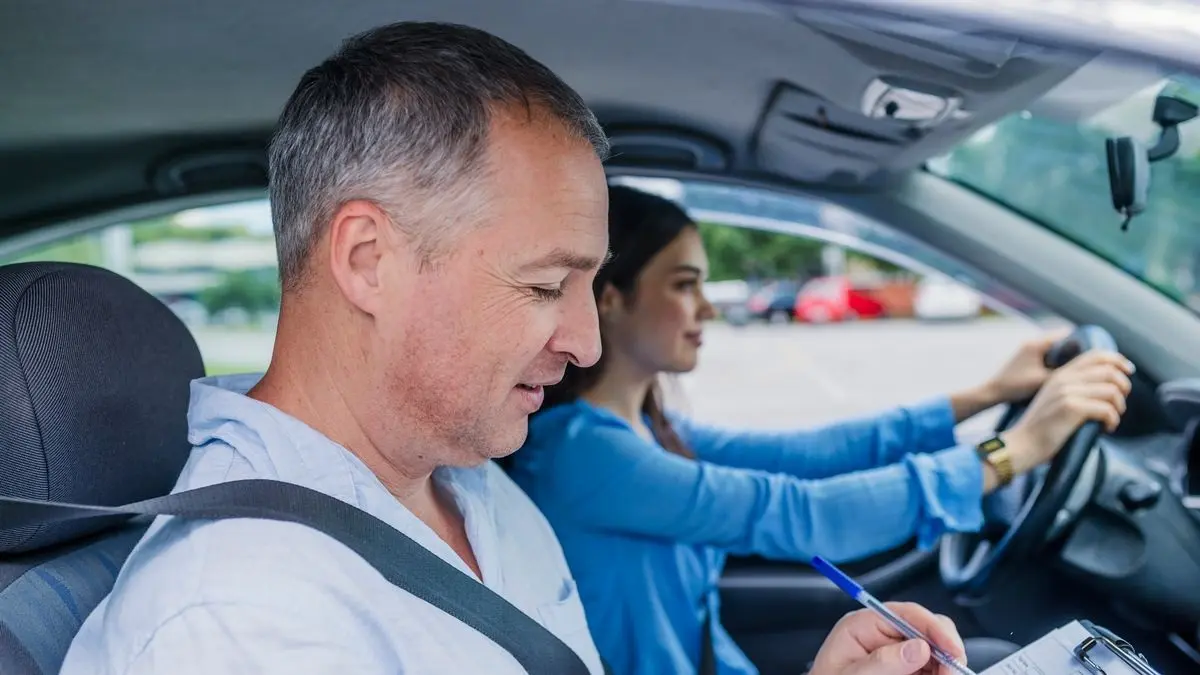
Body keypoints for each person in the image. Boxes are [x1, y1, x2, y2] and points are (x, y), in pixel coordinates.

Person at [59, 21, 970, 675]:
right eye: (543, 286)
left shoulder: (469, 482)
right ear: (369, 261)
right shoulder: (243, 622)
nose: (581, 342)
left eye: (588, 285)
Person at [508, 185, 1134, 675]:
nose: (706, 308)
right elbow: (802, 514)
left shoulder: (647, 429)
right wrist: (1014, 451)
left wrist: (989, 395)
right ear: (610, 297)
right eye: (684, 286)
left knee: (987, 654)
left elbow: (811, 455)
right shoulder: (582, 453)